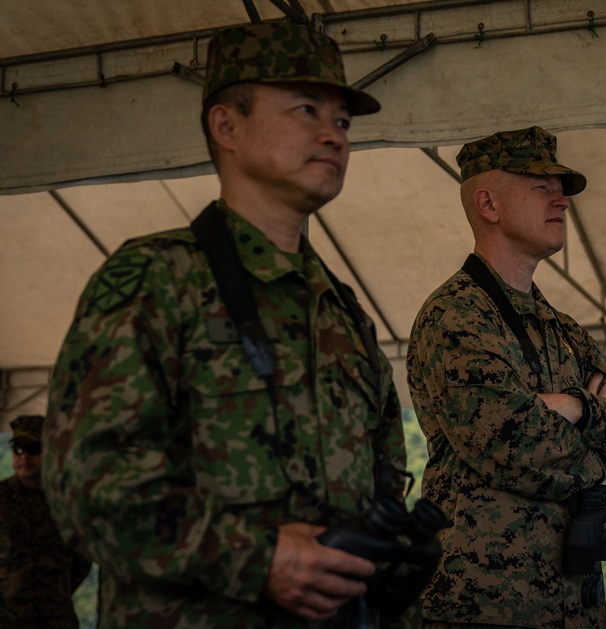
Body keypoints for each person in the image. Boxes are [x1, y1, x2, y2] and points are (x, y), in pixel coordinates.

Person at [42, 21, 413, 628]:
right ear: (227, 126)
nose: (334, 136)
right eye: (306, 109)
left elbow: (385, 483)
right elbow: (88, 486)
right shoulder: (156, 278)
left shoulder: (341, 309)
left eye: (343, 121)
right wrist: (258, 559)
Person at [406, 126, 606, 627]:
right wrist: (596, 429)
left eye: (559, 188)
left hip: (573, 603)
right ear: (489, 204)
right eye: (541, 186)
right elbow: (513, 446)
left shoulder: (561, 327)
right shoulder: (455, 316)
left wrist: (574, 408)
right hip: (486, 606)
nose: (561, 200)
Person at [0, 415, 92, 628]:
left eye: (33, 449)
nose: (24, 458)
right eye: (18, 450)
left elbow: (82, 558)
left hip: (56, 618)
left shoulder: (64, 500)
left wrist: (54, 593)